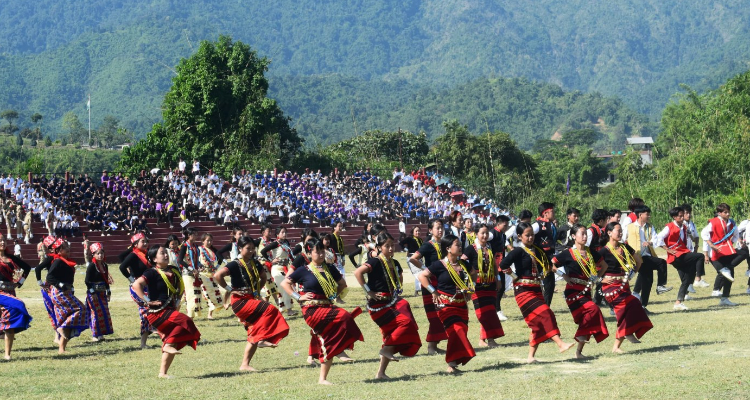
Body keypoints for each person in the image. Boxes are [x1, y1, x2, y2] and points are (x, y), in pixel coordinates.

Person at [280, 238, 364, 385]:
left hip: (327, 306)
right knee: (344, 316)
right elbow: (285, 283)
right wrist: (298, 297)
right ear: (309, 253)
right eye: (316, 252)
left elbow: (342, 284)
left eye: (322, 251)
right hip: (312, 309)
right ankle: (339, 350)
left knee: (329, 339)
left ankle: (323, 378)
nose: (320, 254)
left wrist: (334, 294)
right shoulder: (303, 270)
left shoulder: (330, 268)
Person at [499, 222, 574, 363]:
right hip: (523, 291)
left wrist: (561, 273)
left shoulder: (538, 250)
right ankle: (560, 343)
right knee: (546, 312)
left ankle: (530, 357)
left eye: (532, 235)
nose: (531, 238)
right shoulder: (517, 251)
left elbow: (548, 264)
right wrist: (514, 277)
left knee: (537, 325)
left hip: (536, 289)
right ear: (520, 236)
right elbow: (503, 264)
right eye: (527, 235)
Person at [214, 236, 290, 372]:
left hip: (251, 298)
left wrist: (256, 290)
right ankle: (261, 339)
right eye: (247, 249)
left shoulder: (255, 263)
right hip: (239, 301)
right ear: (240, 248)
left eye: (252, 249)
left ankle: (245, 364)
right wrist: (230, 289)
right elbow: (218, 275)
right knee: (270, 309)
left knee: (254, 331)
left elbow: (263, 277)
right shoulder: (235, 264)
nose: (251, 251)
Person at [354, 232, 421, 379]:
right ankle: (386, 351)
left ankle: (381, 373)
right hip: (378, 306)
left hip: (391, 303)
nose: (391, 248)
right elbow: (358, 272)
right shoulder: (375, 261)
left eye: (392, 245)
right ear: (379, 247)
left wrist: (397, 289)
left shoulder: (394, 262)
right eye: (387, 246)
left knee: (392, 334)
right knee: (405, 323)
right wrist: (369, 291)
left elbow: (399, 276)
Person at [131, 245, 201, 378]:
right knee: (186, 321)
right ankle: (168, 345)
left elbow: (179, 287)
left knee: (173, 339)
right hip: (157, 313)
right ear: (154, 259)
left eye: (166, 253)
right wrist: (147, 300)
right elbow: (136, 285)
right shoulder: (151, 272)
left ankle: (162, 373)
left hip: (170, 310)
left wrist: (178, 300)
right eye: (162, 253)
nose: (166, 255)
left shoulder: (174, 270)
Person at [418, 234, 476, 373]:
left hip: (461, 304)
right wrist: (433, 291)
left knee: (461, 331)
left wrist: (470, 288)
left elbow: (474, 273)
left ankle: (454, 363)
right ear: (448, 248)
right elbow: (422, 276)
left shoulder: (463, 264)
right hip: (446, 304)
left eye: (460, 245)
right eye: (457, 245)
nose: (460, 247)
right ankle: (450, 364)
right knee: (456, 330)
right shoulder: (439, 264)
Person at [551, 224, 609, 359]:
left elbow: (604, 265)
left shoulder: (591, 252)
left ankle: (578, 352)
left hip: (587, 290)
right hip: (573, 291)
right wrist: (563, 275)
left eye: (585, 234)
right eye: (581, 234)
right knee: (593, 309)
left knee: (587, 319)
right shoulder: (567, 253)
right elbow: (551, 265)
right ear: (573, 236)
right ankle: (580, 337)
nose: (584, 236)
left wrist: (597, 277)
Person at [598, 222, 653, 353]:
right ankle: (627, 333)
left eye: (621, 230)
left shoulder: (625, 247)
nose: (621, 233)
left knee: (632, 305)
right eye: (618, 230)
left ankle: (617, 345)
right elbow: (592, 270)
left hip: (624, 285)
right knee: (624, 308)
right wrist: (602, 279)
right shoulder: (603, 251)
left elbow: (638, 261)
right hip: (610, 287)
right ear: (609, 233)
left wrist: (632, 274)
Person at [407, 218, 449, 355]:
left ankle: (435, 345)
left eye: (441, 227)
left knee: (442, 313)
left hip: (443, 282)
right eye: (437, 228)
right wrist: (426, 268)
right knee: (434, 316)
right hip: (430, 283)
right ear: (430, 230)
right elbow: (413, 258)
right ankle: (431, 347)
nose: (440, 230)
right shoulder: (428, 245)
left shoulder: (444, 244)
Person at [463, 223, 504, 348]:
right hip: (478, 285)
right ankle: (490, 340)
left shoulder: (489, 248)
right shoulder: (471, 248)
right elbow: (462, 261)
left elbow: (494, 265)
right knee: (483, 314)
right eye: (482, 233)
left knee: (490, 312)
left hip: (491, 283)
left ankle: (484, 339)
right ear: (477, 234)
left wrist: (498, 279)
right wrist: (471, 274)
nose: (485, 235)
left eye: (486, 233)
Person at [624, 206, 672, 312]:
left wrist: (650, 242)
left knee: (648, 281)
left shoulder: (650, 227)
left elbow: (655, 239)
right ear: (640, 215)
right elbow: (622, 239)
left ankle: (643, 306)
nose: (649, 216)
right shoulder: (629, 227)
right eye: (647, 214)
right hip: (637, 257)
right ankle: (660, 286)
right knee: (661, 262)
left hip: (647, 256)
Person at [654, 207, 703, 310]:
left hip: (683, 253)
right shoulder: (669, 227)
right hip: (677, 256)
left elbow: (688, 239)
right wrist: (667, 249)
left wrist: (695, 242)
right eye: (680, 216)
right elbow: (658, 238)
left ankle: (678, 303)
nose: (682, 218)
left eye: (682, 216)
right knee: (700, 256)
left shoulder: (684, 227)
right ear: (674, 217)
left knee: (687, 279)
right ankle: (698, 279)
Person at [45, 238, 89, 353]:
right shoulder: (58, 261)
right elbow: (49, 277)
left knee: (68, 318)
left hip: (67, 291)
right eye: (64, 247)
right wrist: (61, 285)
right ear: (58, 251)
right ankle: (60, 328)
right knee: (81, 309)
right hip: (60, 292)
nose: (68, 249)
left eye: (67, 246)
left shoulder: (65, 260)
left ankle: (61, 349)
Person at [118, 232, 155, 349]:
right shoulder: (133, 255)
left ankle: (145, 341)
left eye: (146, 241)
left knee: (152, 310)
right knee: (146, 311)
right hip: (138, 288)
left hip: (148, 287)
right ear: (135, 244)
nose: (145, 243)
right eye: (142, 241)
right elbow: (122, 267)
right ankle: (143, 343)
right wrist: (131, 280)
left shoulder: (147, 254)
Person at [0, 236, 33, 360]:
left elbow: (28, 268)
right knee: (19, 306)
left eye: (4, 240)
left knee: (10, 320)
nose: (2, 242)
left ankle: (7, 354)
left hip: (10, 293)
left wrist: (19, 282)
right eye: (0, 241)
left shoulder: (11, 258)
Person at [701, 203, 740, 306]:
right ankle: (717, 286)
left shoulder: (731, 223)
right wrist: (711, 246)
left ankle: (725, 298)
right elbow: (704, 234)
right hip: (714, 252)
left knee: (730, 274)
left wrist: (730, 243)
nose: (728, 214)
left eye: (728, 212)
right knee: (723, 271)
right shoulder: (713, 222)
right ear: (719, 213)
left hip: (726, 251)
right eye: (725, 212)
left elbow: (736, 234)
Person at [260, 227, 297, 317]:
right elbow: (263, 251)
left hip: (285, 268)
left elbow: (290, 255)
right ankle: (284, 310)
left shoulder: (286, 243)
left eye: (285, 232)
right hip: (276, 268)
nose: (284, 234)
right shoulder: (275, 244)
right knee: (282, 288)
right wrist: (271, 260)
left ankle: (288, 310)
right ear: (277, 234)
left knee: (286, 288)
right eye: (282, 232)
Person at [84, 242, 114, 341]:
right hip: (94, 293)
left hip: (102, 292)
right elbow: (87, 281)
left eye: (101, 253)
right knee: (96, 313)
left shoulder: (104, 265)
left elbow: (106, 280)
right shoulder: (92, 266)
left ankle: (101, 334)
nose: (100, 255)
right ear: (93, 254)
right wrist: (92, 293)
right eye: (98, 253)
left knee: (104, 313)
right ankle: (95, 335)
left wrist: (108, 291)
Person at [35, 235, 61, 344]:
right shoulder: (51, 258)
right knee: (55, 311)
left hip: (61, 285)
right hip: (51, 287)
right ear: (51, 248)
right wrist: (40, 283)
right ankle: (57, 335)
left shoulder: (61, 257)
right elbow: (37, 269)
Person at [532, 202, 558, 305]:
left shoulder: (551, 224)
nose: (554, 213)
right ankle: (542, 305)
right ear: (545, 213)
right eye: (552, 211)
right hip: (540, 257)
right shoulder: (537, 225)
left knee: (550, 284)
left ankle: (546, 305)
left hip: (549, 257)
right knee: (545, 283)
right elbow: (526, 234)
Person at [488, 215, 510, 321]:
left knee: (501, 287)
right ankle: (496, 310)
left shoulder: (503, 235)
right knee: (496, 287)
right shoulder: (492, 234)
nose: (506, 227)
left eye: (507, 225)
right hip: (492, 264)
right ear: (498, 224)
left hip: (500, 264)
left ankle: (496, 309)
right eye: (504, 225)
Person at [198, 233, 224, 319]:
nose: (209, 242)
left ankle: (210, 314)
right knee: (207, 293)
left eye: (211, 240)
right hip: (202, 275)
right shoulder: (199, 249)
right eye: (207, 240)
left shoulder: (213, 250)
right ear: (202, 241)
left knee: (213, 293)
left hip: (211, 275)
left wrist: (217, 266)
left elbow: (221, 258)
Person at [178, 227, 203, 318]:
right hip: (187, 273)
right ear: (189, 235)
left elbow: (196, 260)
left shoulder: (195, 246)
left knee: (195, 294)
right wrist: (191, 269)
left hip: (195, 272)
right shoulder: (184, 246)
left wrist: (200, 265)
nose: (196, 236)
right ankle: (189, 317)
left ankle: (177, 309)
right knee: (191, 295)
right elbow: (180, 260)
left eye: (197, 234)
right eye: (194, 234)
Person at [399, 226, 423, 296]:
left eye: (419, 231)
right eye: (416, 231)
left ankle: (417, 290)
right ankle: (417, 290)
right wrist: (406, 249)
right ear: (412, 232)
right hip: (412, 257)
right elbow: (401, 243)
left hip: (419, 258)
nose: (418, 232)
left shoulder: (420, 240)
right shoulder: (410, 239)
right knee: (418, 273)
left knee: (421, 273)